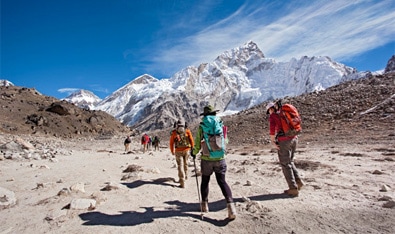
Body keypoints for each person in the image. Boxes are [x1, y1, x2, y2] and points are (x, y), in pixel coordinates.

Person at [191, 105, 236, 220]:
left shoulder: (202, 125)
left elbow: (197, 142)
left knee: (205, 181)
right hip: (220, 158)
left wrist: (194, 152)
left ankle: (204, 205)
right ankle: (231, 208)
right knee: (222, 181)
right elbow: (225, 140)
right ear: (214, 113)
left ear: (205, 115)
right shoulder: (220, 124)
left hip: (206, 158)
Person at [266, 102, 304, 197]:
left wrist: (273, 141)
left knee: (285, 164)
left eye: (269, 111)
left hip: (284, 141)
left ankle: (293, 188)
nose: (269, 113)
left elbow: (272, 129)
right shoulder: (284, 112)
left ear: (271, 109)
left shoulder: (273, 116)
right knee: (290, 161)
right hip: (294, 138)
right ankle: (298, 182)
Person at [169, 120, 194, 188]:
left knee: (180, 165)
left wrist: (172, 151)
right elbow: (191, 139)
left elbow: (171, 143)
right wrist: (192, 148)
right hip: (187, 150)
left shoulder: (174, 133)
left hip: (178, 151)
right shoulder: (187, 131)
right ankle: (186, 176)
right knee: (186, 164)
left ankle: (182, 182)